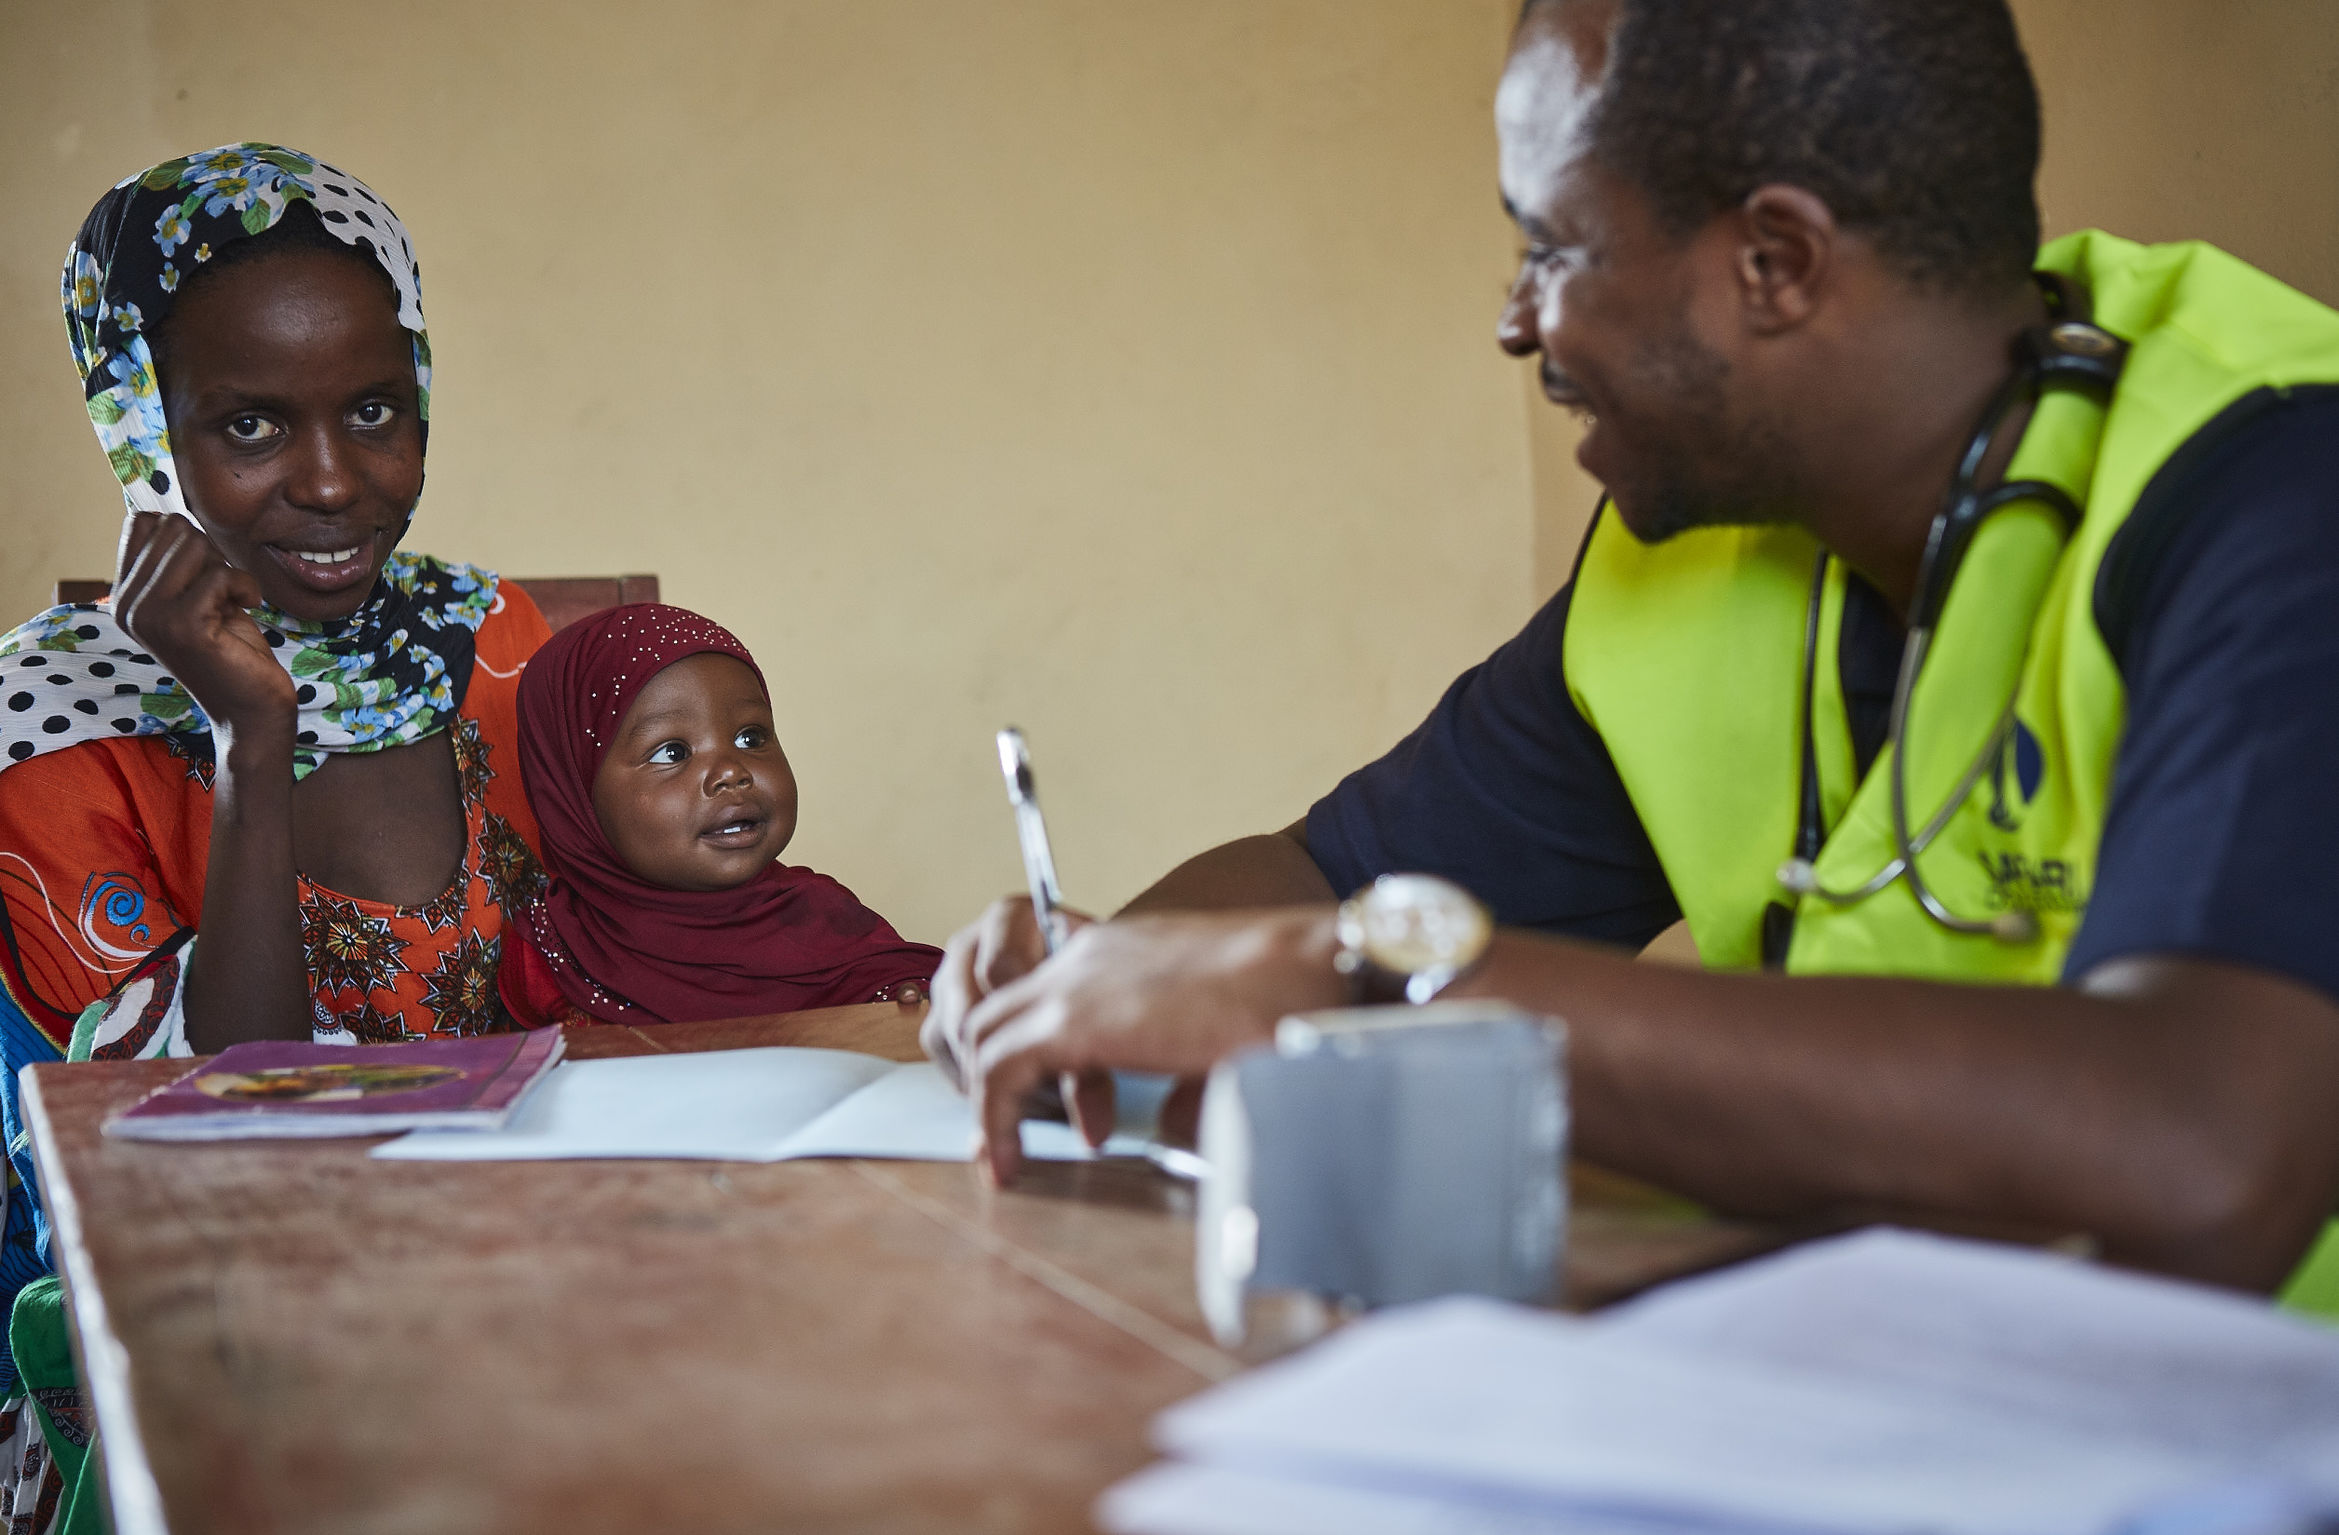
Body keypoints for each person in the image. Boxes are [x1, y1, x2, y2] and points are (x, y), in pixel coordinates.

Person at [924, 0, 2339, 1312]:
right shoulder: (1694, 544)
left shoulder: (2276, 489)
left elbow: (2199, 1154)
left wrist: (1348, 975)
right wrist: (1088, 975)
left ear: (1771, 264)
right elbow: (1329, 882)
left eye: (1549, 247)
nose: (1513, 319)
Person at [0, 143, 552, 1526]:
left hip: (529, 1300)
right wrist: (251, 732)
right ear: (142, 426)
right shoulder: (48, 732)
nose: (331, 479)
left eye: (374, 406)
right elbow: (211, 1127)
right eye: (249, 425)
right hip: (214, 1361)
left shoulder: (487, 642)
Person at [497, 603, 940, 1027]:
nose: (731, 771)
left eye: (751, 738)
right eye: (672, 752)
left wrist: (910, 1007)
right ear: (572, 793)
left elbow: (905, 1000)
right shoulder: (552, 951)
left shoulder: (824, 921)